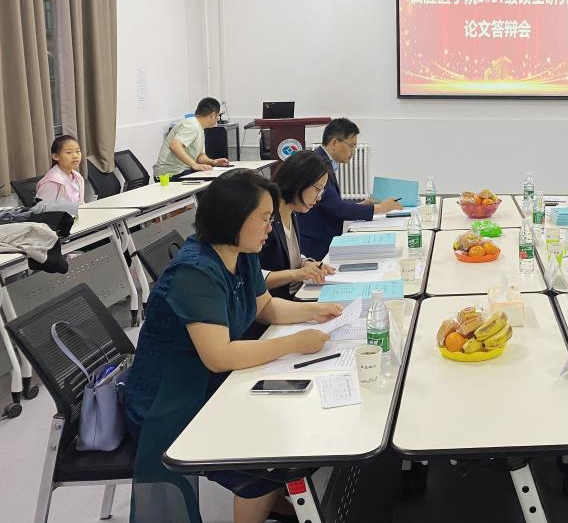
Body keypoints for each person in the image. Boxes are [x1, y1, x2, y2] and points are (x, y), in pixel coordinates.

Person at [124, 170, 342, 523]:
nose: (270, 227)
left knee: (286, 422)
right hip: (171, 397)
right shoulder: (195, 272)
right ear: (233, 217)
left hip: (211, 382)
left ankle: (272, 500)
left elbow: (265, 308)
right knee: (262, 459)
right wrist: (295, 343)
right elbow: (219, 356)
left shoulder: (243, 252)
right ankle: (263, 497)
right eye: (264, 218)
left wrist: (315, 310)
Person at [297, 118, 401, 260]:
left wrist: (361, 205)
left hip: (320, 237)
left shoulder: (323, 159)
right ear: (334, 143)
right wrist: (380, 208)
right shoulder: (318, 164)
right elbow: (337, 209)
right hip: (315, 244)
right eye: (351, 146)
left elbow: (330, 203)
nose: (353, 151)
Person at [260, 149, 335, 300]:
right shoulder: (267, 218)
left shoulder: (291, 212)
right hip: (275, 303)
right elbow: (252, 277)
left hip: (294, 295)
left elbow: (286, 257)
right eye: (317, 189)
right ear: (299, 181)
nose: (319, 198)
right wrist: (296, 274)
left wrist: (306, 264)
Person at [153, 97, 230, 179]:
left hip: (181, 171)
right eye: (218, 116)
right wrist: (195, 165)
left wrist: (213, 162)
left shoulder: (199, 127)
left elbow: (199, 157)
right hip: (169, 174)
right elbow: (174, 145)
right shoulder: (192, 124)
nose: (218, 119)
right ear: (212, 115)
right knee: (215, 180)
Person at [35, 134, 86, 205]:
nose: (75, 156)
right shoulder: (52, 181)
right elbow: (42, 209)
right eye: (69, 152)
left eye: (78, 151)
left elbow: (81, 204)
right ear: (55, 156)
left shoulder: (78, 177)